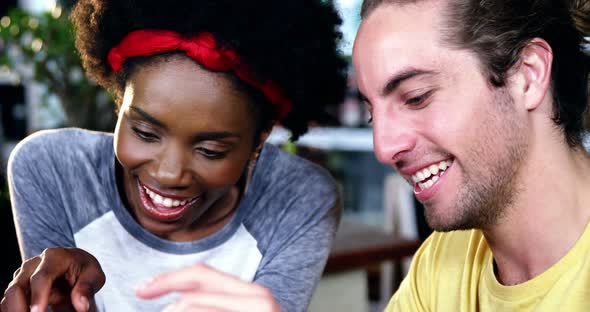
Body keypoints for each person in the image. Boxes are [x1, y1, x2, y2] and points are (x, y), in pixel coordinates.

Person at [1, 0, 347, 311]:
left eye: (211, 150)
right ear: (120, 101)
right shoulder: (51, 170)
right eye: (145, 133)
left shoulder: (300, 197)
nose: (169, 174)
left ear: (261, 137)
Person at [353, 0, 590, 311]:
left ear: (527, 75)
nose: (383, 148)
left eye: (417, 97)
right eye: (373, 114)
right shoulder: (442, 262)